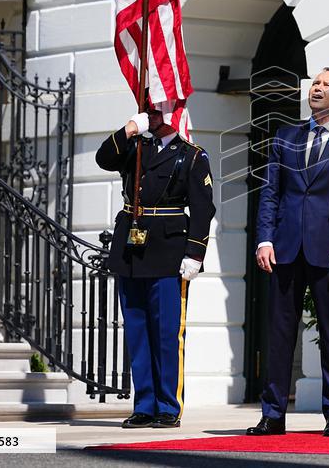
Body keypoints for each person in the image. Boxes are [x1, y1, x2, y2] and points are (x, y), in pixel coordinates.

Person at [246, 68, 329, 438]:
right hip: (284, 248)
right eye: (315, 83)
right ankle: (272, 413)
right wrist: (264, 238)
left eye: (327, 85)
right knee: (279, 335)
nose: (317, 88)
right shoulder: (285, 136)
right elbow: (270, 192)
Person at [96, 103, 215, 429]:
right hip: (132, 250)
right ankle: (144, 405)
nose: (153, 115)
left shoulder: (191, 155)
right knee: (136, 331)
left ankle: (167, 406)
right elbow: (103, 158)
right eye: (149, 110)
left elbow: (203, 209)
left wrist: (195, 253)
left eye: (159, 109)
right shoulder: (134, 145)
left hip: (168, 251)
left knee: (166, 335)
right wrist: (128, 129)